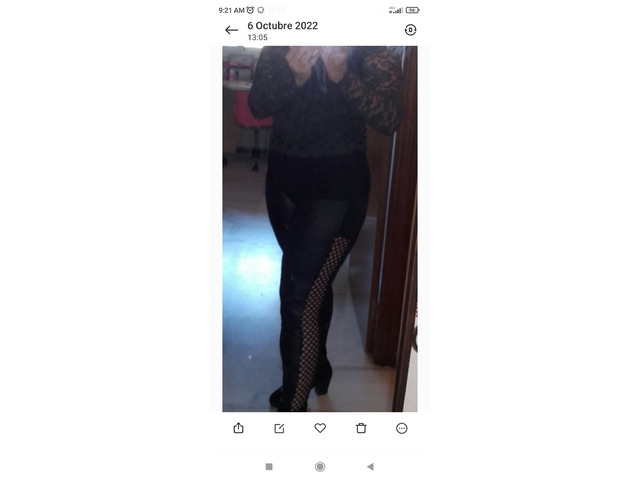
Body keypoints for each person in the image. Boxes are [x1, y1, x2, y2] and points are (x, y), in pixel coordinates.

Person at [248, 46, 403, 412]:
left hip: (337, 188)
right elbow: (257, 106)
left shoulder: (369, 47)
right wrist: (294, 77)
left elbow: (389, 118)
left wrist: (343, 78)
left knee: (298, 299)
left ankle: (293, 404)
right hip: (284, 181)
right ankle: (315, 366)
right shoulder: (283, 40)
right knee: (313, 285)